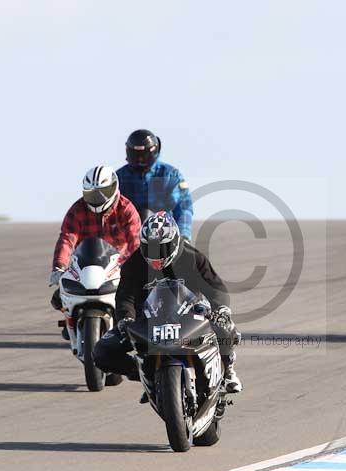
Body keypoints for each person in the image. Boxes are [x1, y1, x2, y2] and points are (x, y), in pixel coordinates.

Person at [93, 212, 243, 397]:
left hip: (190, 316)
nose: (155, 254)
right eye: (149, 247)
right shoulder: (134, 264)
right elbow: (125, 296)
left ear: (174, 242)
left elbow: (215, 287)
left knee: (226, 328)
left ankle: (227, 371)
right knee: (102, 351)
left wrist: (221, 309)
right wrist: (126, 318)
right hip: (148, 320)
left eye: (161, 248)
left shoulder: (192, 257)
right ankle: (146, 375)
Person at [49, 165, 142, 325]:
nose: (97, 197)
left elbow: (135, 242)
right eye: (92, 193)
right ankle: (70, 320)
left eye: (103, 192)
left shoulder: (126, 209)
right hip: (83, 266)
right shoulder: (77, 209)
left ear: (114, 187)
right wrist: (59, 267)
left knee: (138, 300)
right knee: (58, 298)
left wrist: (138, 269)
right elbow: (67, 239)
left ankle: (129, 326)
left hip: (118, 268)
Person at [116, 129, 194, 240]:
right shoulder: (119, 178)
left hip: (164, 237)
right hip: (127, 239)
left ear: (153, 151)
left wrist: (183, 235)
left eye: (143, 155)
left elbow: (183, 208)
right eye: (136, 155)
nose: (140, 159)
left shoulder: (170, 175)